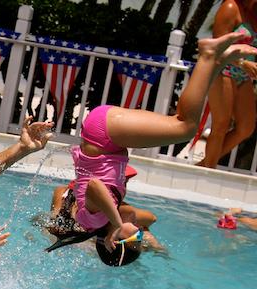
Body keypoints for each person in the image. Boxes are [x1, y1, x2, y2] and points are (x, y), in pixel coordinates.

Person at [67, 33, 256, 266]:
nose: (139, 233)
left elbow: (95, 186)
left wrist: (117, 224)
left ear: (114, 242)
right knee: (182, 124)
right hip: (107, 135)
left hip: (103, 134)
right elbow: (149, 217)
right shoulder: (104, 219)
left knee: (185, 127)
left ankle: (208, 55)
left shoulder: (93, 222)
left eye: (135, 239)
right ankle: (218, 62)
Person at [198, 0, 257, 168]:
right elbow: (217, 48)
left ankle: (204, 165)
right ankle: (208, 169)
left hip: (243, 75)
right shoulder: (230, 7)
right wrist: (243, 63)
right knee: (221, 125)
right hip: (223, 69)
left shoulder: (253, 12)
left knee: (246, 127)